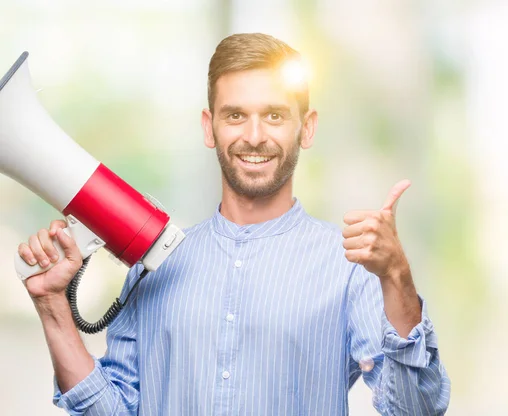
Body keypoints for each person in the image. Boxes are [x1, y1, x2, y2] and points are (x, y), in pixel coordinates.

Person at [18, 33, 450, 415]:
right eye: (236, 115)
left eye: (275, 115)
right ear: (210, 128)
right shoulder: (153, 264)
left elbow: (416, 409)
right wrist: (53, 305)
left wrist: (397, 276)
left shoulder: (350, 268)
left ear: (307, 127)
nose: (255, 135)